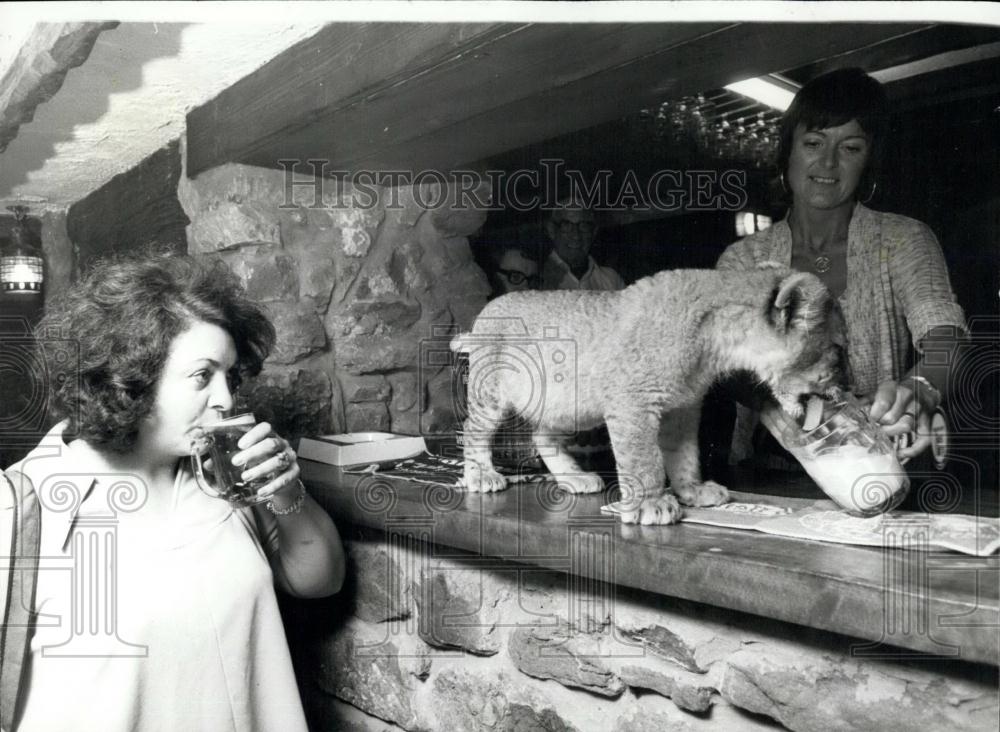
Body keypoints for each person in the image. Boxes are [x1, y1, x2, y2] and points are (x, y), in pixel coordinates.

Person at [6, 253, 345, 731]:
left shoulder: (224, 479)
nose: (226, 399)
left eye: (230, 376)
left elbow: (320, 580)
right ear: (131, 378)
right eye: (202, 375)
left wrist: (286, 492)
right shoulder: (21, 506)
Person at [716, 67, 967, 465]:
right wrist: (805, 403)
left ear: (868, 160)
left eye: (851, 148)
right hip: (771, 470)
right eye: (813, 142)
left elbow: (947, 340)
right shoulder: (742, 259)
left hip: (879, 465)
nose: (828, 163)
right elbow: (725, 367)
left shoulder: (903, 240)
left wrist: (917, 389)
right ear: (788, 151)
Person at [541, 195, 625, 291]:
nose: (576, 236)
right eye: (566, 225)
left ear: (594, 232)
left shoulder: (611, 280)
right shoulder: (535, 275)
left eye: (584, 226)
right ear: (551, 230)